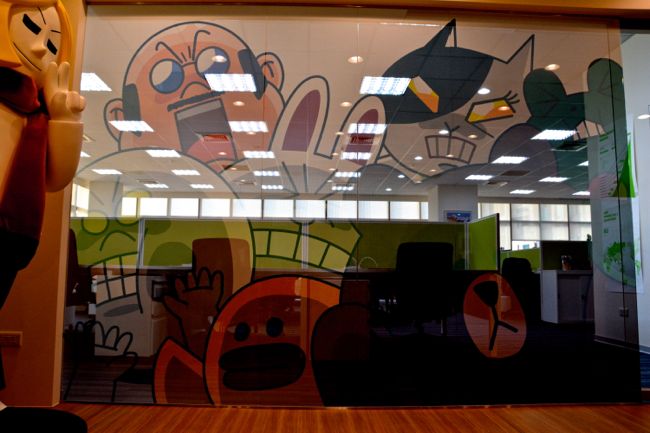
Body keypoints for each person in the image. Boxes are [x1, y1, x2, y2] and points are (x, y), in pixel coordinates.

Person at [0, 0, 86, 430]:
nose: (39, 48)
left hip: (13, 232)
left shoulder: (34, 112)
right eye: (31, 29)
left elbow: (56, 178)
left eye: (52, 41)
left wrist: (64, 117)